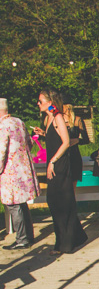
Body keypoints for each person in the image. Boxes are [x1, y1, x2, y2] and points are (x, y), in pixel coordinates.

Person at [37, 86, 87, 256]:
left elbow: (66, 142)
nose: (38, 104)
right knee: (54, 201)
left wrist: (53, 161)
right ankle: (74, 237)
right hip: (53, 164)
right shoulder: (50, 118)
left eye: (41, 101)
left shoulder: (58, 117)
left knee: (62, 201)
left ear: (50, 102)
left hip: (59, 164)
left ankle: (65, 243)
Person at [0, 98, 39, 250]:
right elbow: (29, 143)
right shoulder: (18, 121)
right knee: (21, 204)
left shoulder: (3, 126)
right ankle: (28, 235)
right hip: (22, 169)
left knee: (12, 205)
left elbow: (1, 151)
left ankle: (22, 239)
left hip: (9, 171)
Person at [61, 96, 90, 195]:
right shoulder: (57, 120)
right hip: (62, 154)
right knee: (62, 186)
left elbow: (86, 139)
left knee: (72, 188)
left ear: (67, 107)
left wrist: (77, 140)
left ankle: (72, 208)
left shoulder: (77, 120)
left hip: (73, 155)